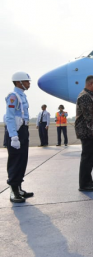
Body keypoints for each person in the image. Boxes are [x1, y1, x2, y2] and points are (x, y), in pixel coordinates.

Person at [5, 72, 34, 203]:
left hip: (23, 130)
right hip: (15, 132)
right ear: (18, 82)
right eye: (26, 81)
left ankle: (19, 188)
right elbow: (10, 117)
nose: (29, 83)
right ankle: (13, 191)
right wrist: (13, 137)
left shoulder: (22, 96)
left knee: (22, 160)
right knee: (15, 161)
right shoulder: (13, 96)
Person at [75, 75, 93, 192]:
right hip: (87, 132)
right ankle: (84, 184)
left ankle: (88, 181)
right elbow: (88, 117)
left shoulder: (90, 96)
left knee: (90, 157)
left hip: (88, 131)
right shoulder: (85, 97)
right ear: (90, 84)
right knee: (87, 158)